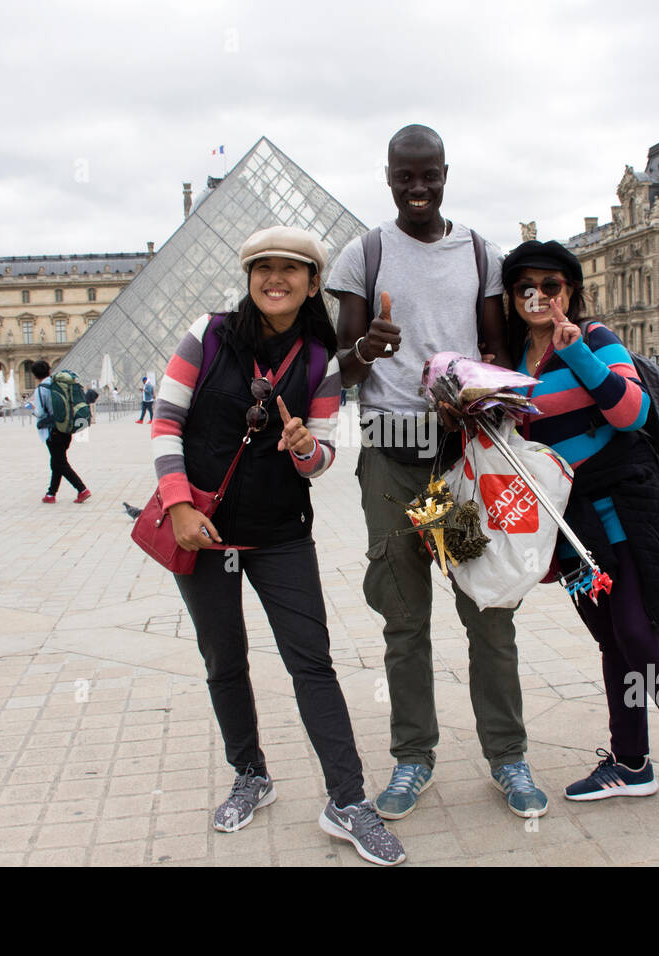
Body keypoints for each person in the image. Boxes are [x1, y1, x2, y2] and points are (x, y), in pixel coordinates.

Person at [151, 226, 404, 866]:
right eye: (263, 267)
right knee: (224, 660)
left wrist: (303, 450)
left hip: (280, 535)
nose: (275, 278)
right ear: (249, 276)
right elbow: (166, 419)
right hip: (204, 531)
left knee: (311, 662)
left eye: (291, 269)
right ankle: (251, 774)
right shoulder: (206, 335)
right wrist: (178, 505)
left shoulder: (319, 361)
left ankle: (348, 801)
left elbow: (321, 456)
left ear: (313, 282)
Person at [326, 124, 544, 821]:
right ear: (387, 175)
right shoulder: (364, 254)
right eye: (403, 178)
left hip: (458, 462)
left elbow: (494, 348)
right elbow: (342, 367)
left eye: (428, 176)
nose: (417, 190)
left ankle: (507, 755)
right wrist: (368, 345)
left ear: (446, 172)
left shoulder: (480, 253)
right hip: (394, 459)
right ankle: (412, 757)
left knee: (486, 606)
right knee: (404, 618)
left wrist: (474, 394)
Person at [502, 241, 659, 802]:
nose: (539, 296)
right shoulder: (511, 362)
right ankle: (631, 763)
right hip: (569, 525)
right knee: (612, 642)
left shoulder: (594, 338)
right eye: (527, 287)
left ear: (570, 291)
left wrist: (581, 357)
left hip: (625, 508)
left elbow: (633, 412)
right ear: (512, 297)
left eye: (551, 286)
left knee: (638, 629)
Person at [32, 360, 91, 503]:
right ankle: (51, 494)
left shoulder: (41, 389)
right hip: (66, 427)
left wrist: (31, 409)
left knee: (60, 463)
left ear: (35, 375)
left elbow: (39, 413)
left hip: (53, 431)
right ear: (50, 371)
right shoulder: (59, 384)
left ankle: (82, 489)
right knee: (57, 461)